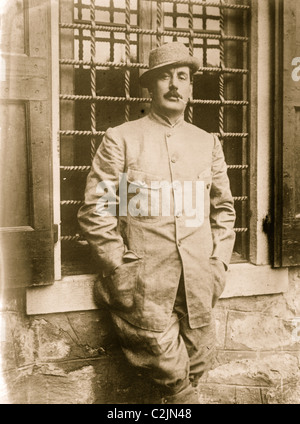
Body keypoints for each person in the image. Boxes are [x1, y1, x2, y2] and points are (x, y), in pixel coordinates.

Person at [78, 42, 236, 404]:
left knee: (194, 371)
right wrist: (119, 265)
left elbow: (223, 210)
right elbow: (95, 210)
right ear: (149, 87)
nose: (175, 85)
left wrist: (220, 264)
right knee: (173, 382)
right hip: (144, 288)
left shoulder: (207, 142)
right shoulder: (122, 138)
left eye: (183, 77)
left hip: (199, 286)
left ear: (191, 88)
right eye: (165, 77)